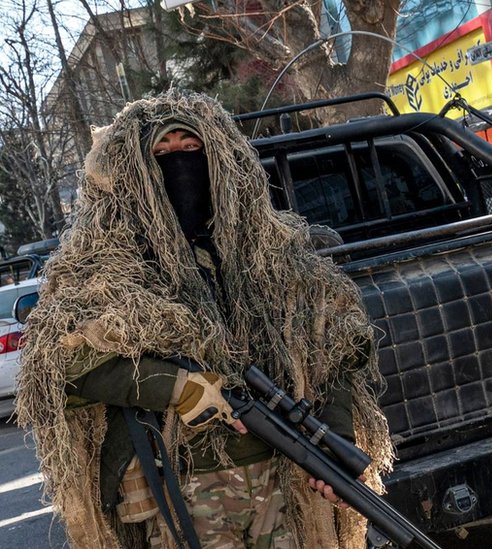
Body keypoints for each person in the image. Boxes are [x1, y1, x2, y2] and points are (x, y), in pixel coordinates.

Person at [15, 91, 393, 548]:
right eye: (163, 152)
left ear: (218, 160)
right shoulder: (106, 263)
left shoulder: (274, 254)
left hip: (285, 479)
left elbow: (333, 351)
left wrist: (333, 443)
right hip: (182, 484)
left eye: (191, 149)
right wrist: (179, 388)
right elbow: (63, 363)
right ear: (138, 171)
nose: (179, 163)